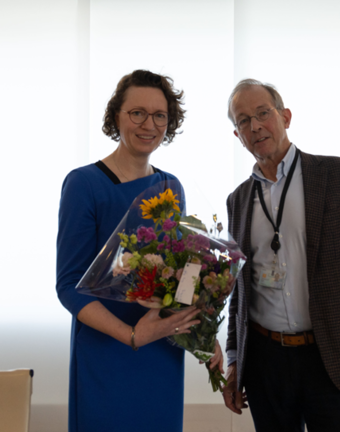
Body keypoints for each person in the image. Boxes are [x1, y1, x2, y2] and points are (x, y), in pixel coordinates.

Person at [221, 79, 340, 432]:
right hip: (265, 361)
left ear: (285, 116)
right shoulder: (237, 200)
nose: (255, 126)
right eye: (242, 121)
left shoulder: (337, 176)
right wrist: (236, 359)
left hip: (331, 354)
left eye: (262, 113)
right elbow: (240, 289)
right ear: (237, 136)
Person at [56, 70, 222, 432]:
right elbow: (68, 285)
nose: (150, 124)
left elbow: (181, 275)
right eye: (137, 113)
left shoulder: (170, 187)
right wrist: (132, 336)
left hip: (162, 352)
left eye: (160, 115)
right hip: (107, 351)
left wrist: (204, 334)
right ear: (117, 116)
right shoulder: (84, 184)